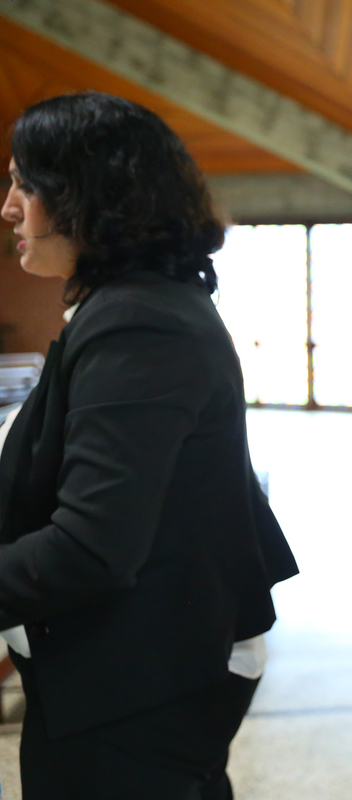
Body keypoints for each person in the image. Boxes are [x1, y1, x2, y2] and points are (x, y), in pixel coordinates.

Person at [0, 92, 298, 800]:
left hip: (143, 678)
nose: (10, 207)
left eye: (23, 183)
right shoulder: (126, 306)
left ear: (86, 195)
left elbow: (92, 546)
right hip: (123, 665)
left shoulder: (138, 322)